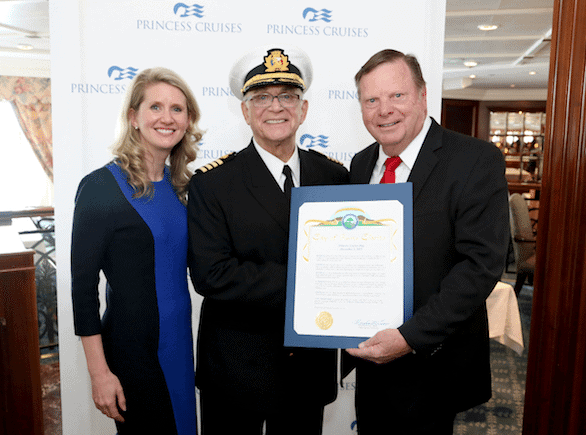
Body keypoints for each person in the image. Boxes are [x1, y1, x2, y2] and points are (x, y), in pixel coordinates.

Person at [345, 49, 509, 434]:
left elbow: (480, 266)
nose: (384, 109)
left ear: (421, 95)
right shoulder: (360, 163)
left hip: (433, 363)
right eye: (372, 100)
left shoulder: (474, 160)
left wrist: (408, 338)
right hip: (372, 361)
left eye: (396, 96)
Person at [187, 46, 349, 435]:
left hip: (308, 368)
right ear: (245, 111)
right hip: (236, 368)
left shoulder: (334, 177)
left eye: (287, 96)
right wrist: (310, 283)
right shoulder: (212, 183)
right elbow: (212, 274)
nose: (275, 107)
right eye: (261, 97)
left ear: (303, 108)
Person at [71, 67, 203, 434]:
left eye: (178, 109)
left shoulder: (182, 188)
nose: (167, 117)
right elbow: (83, 291)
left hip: (179, 346)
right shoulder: (100, 187)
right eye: (156, 107)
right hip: (133, 355)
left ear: (188, 120)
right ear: (133, 117)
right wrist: (100, 374)